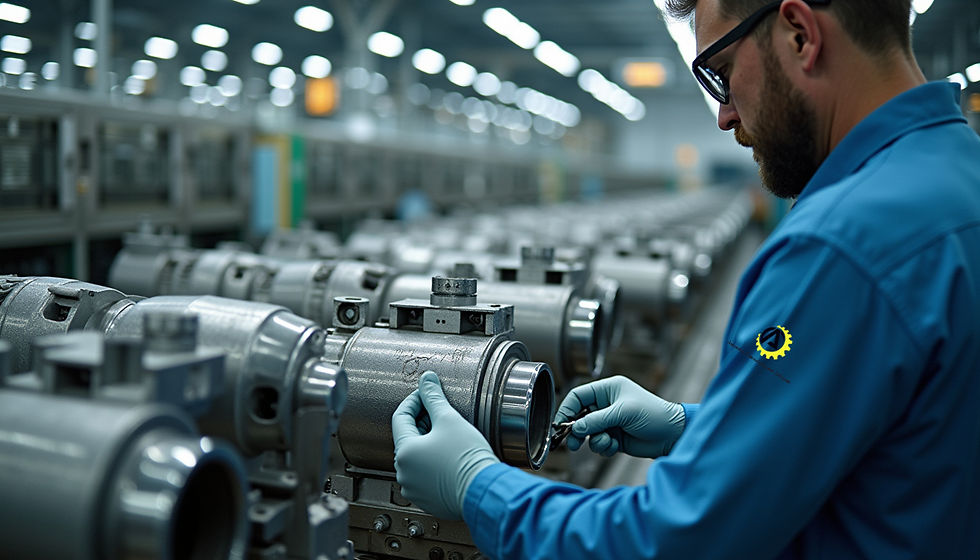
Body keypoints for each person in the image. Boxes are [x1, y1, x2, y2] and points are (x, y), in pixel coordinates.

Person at [391, 0, 980, 557]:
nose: (723, 115)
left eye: (720, 72)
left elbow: (671, 544)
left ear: (801, 33)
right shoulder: (958, 176)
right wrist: (693, 427)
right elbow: (893, 438)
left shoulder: (840, 248)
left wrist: (478, 487)